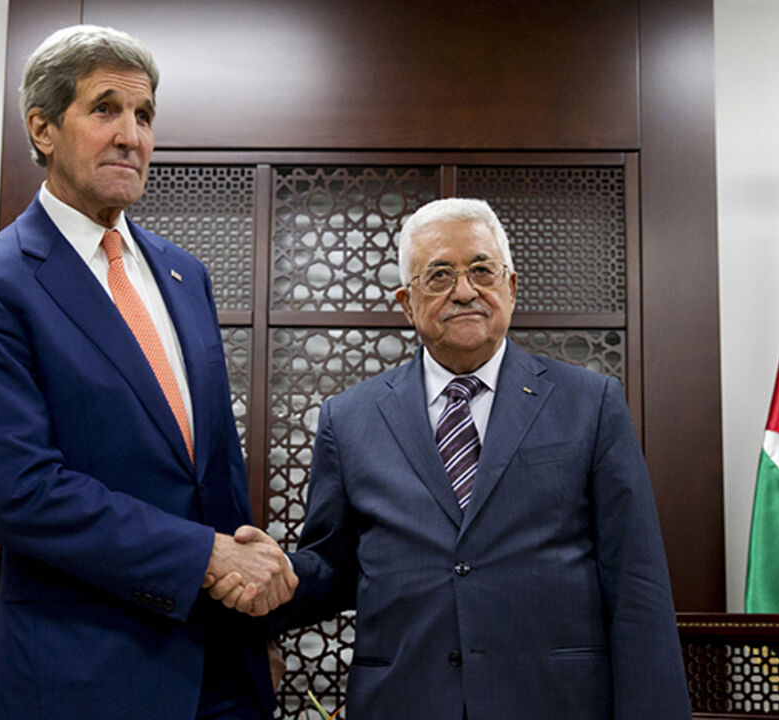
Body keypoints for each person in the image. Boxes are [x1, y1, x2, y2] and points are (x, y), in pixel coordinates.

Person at [0, 25, 294, 720]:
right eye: (105, 109)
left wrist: (253, 617)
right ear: (42, 128)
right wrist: (207, 560)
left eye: (145, 115)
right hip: (86, 672)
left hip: (223, 669)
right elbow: (21, 494)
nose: (132, 135)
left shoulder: (186, 274)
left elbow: (207, 467)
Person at [217, 198, 690, 718]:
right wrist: (276, 572)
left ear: (510, 286)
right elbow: (334, 565)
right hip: (404, 700)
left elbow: (637, 580)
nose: (465, 291)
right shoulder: (349, 419)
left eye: (482, 270)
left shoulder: (590, 403)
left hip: (555, 700)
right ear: (406, 302)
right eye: (438, 275)